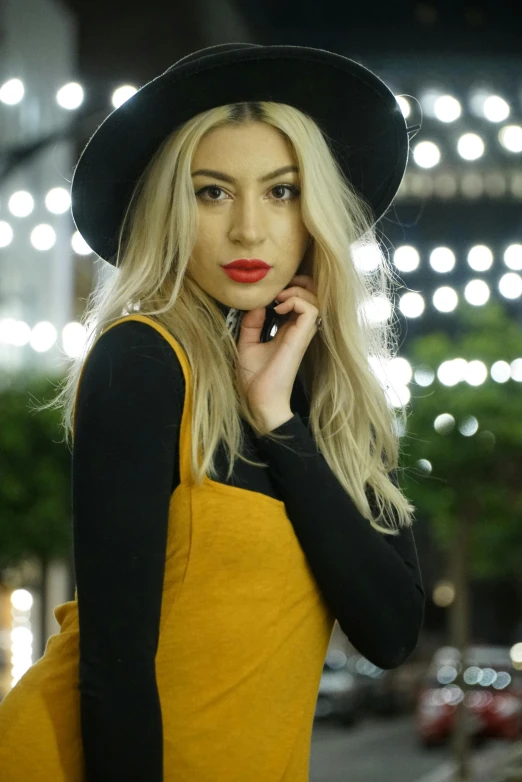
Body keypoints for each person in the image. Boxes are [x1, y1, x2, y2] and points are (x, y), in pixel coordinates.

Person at [0, 42, 425, 781]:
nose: (249, 230)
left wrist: (278, 421)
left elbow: (390, 631)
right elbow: (114, 665)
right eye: (212, 192)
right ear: (173, 207)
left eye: (282, 190)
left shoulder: (331, 405)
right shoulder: (141, 360)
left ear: (316, 207)